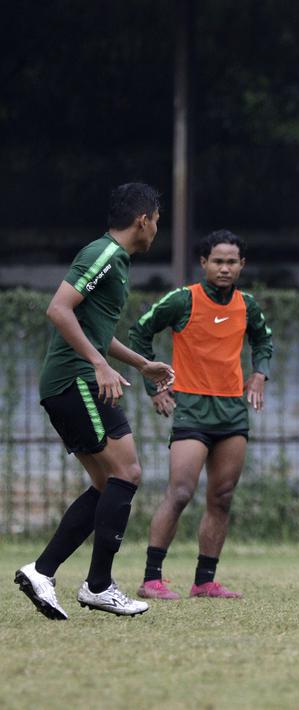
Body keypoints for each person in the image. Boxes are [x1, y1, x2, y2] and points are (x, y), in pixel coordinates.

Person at [13, 183, 174, 619]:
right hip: (76, 380)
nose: (158, 228)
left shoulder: (114, 260)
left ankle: (42, 571)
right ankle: (98, 585)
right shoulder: (104, 255)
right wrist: (98, 366)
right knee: (128, 472)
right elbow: (59, 309)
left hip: (71, 381)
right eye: (157, 220)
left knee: (108, 483)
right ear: (143, 219)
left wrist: (141, 363)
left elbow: (96, 330)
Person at [129, 230, 274, 600]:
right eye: (218, 261)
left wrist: (259, 373)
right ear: (204, 263)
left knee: (222, 496)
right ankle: (151, 579)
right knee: (179, 493)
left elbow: (263, 340)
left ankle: (205, 581)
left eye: (232, 262)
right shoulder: (182, 300)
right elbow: (139, 333)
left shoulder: (247, 305)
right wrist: (156, 386)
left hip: (232, 413)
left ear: (242, 265)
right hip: (191, 411)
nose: (225, 268)